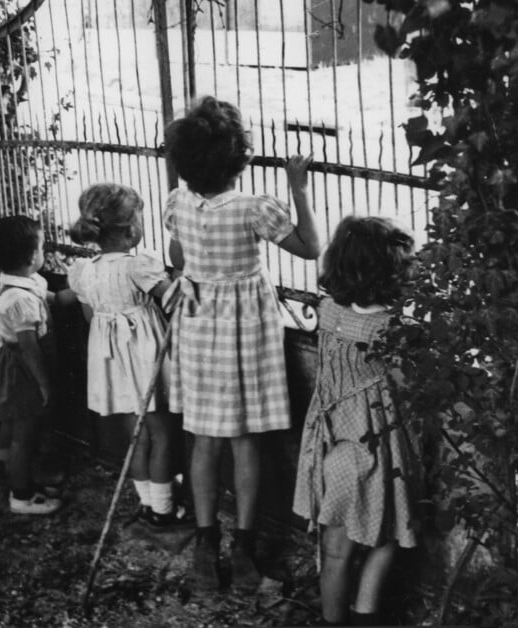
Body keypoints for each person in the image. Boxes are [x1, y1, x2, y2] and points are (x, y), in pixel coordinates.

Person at [163, 95, 321, 591]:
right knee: (247, 439)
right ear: (241, 158)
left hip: (198, 325)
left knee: (205, 439)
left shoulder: (177, 202)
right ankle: (246, 550)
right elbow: (311, 247)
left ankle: (206, 547)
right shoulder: (256, 208)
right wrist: (299, 188)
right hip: (246, 330)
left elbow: (177, 254)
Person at [292, 215, 420, 626]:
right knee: (387, 535)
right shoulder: (393, 329)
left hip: (328, 443)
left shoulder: (328, 311)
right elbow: (409, 386)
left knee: (334, 551)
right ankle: (365, 614)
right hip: (372, 447)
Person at [67, 183, 190, 526]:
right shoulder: (138, 267)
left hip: (111, 364)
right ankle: (164, 511)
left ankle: (149, 502)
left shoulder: (85, 271)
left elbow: (90, 316)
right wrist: (183, 275)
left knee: (136, 436)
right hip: (144, 358)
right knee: (163, 434)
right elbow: (174, 302)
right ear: (130, 229)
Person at [0, 215, 62, 515]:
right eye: (42, 247)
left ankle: (13, 471)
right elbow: (29, 348)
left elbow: (51, 299)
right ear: (32, 257)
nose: (44, 252)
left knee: (10, 423)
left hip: (8, 366)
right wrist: (44, 384)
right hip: (22, 372)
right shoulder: (20, 300)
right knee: (23, 434)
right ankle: (22, 494)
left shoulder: (16, 285)